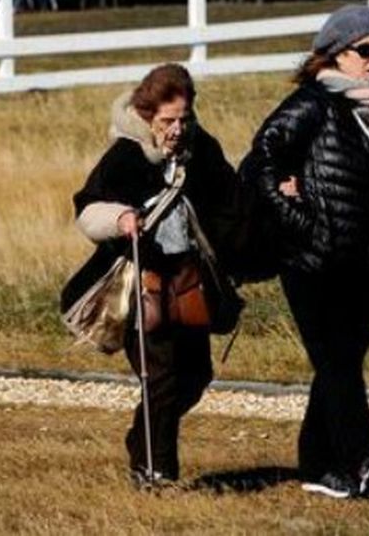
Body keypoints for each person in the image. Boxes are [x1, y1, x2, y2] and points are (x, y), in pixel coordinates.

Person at [238, 5, 369, 500]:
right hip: (311, 263)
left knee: (340, 362)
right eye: (363, 50)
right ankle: (363, 460)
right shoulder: (312, 105)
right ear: (334, 55)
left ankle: (316, 463)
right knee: (337, 362)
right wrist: (303, 222)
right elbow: (258, 164)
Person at [63, 64, 240, 488]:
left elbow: (233, 198)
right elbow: (87, 208)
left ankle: (140, 438)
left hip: (188, 281)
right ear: (146, 116)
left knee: (196, 376)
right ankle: (156, 471)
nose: (177, 128)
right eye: (167, 121)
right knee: (161, 377)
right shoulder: (125, 154)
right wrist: (121, 217)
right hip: (141, 281)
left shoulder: (201, 149)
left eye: (184, 118)